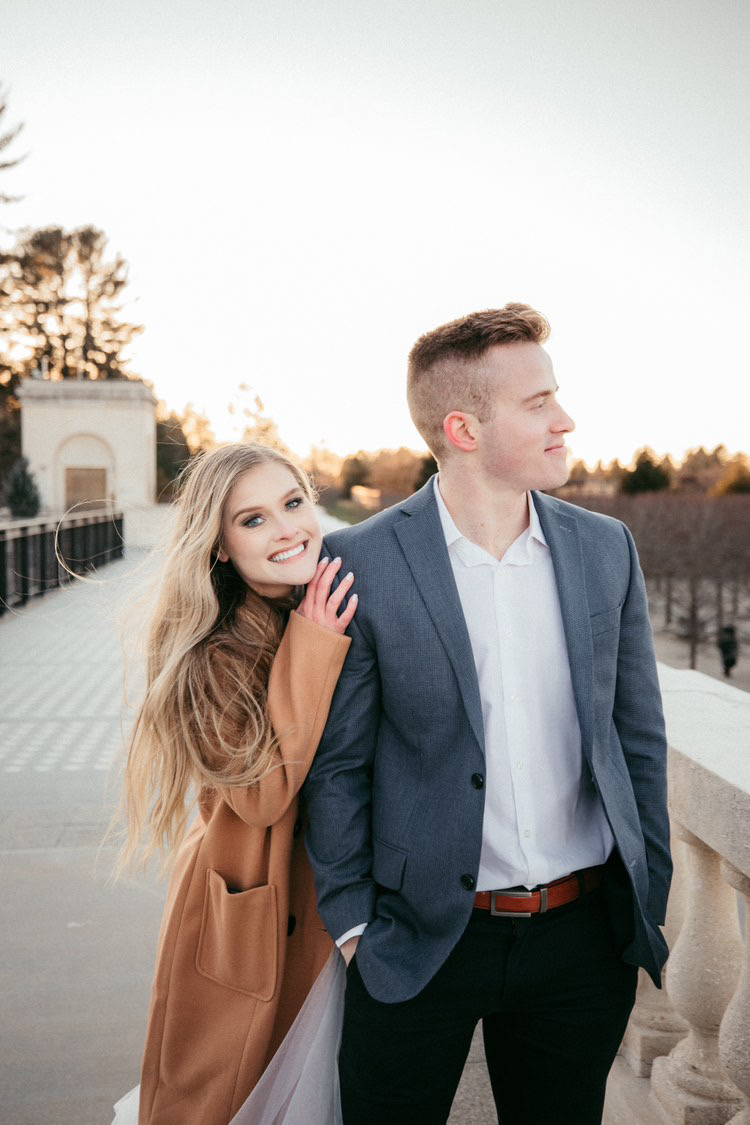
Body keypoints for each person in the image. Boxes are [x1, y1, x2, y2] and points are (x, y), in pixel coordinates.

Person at [304, 304, 672, 1125]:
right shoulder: (358, 560)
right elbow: (337, 764)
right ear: (464, 427)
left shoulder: (605, 547)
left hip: (581, 943)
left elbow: (637, 737)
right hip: (418, 939)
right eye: (538, 401)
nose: (564, 419)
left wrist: (647, 897)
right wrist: (357, 925)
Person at [110, 442, 356, 1125]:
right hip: (245, 912)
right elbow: (262, 793)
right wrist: (312, 644)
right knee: (221, 1099)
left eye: (293, 502)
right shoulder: (208, 652)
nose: (286, 528)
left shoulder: (326, 605)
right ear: (218, 546)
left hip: (327, 913)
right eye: (252, 520)